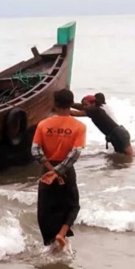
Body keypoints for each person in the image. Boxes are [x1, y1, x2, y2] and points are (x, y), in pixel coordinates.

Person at [31, 89, 86, 250]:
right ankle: (61, 234)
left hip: (46, 171)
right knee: (72, 205)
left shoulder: (43, 124)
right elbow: (75, 153)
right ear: (71, 104)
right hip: (66, 171)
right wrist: (58, 172)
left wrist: (51, 170)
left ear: (54, 104)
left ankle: (48, 244)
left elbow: (35, 151)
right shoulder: (79, 126)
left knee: (45, 209)